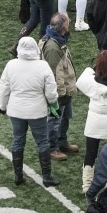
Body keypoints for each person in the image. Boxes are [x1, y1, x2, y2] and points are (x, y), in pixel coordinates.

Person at [0, 36, 61, 187]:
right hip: (37, 111)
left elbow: (4, 88)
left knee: (18, 141)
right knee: (42, 142)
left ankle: (18, 176)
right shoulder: (43, 66)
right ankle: (46, 177)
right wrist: (53, 105)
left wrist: (2, 106)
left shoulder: (11, 65)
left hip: (16, 110)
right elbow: (51, 92)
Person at [75, 49, 107, 195]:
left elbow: (82, 80)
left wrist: (93, 68)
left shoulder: (89, 81)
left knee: (90, 153)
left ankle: (86, 184)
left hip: (94, 121)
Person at [39, 12, 78, 162]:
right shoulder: (53, 47)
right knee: (55, 120)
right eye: (68, 23)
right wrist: (59, 95)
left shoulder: (55, 39)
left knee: (65, 117)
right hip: (60, 92)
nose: (70, 25)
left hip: (66, 89)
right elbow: (54, 74)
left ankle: (62, 142)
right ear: (63, 27)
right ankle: (52, 148)